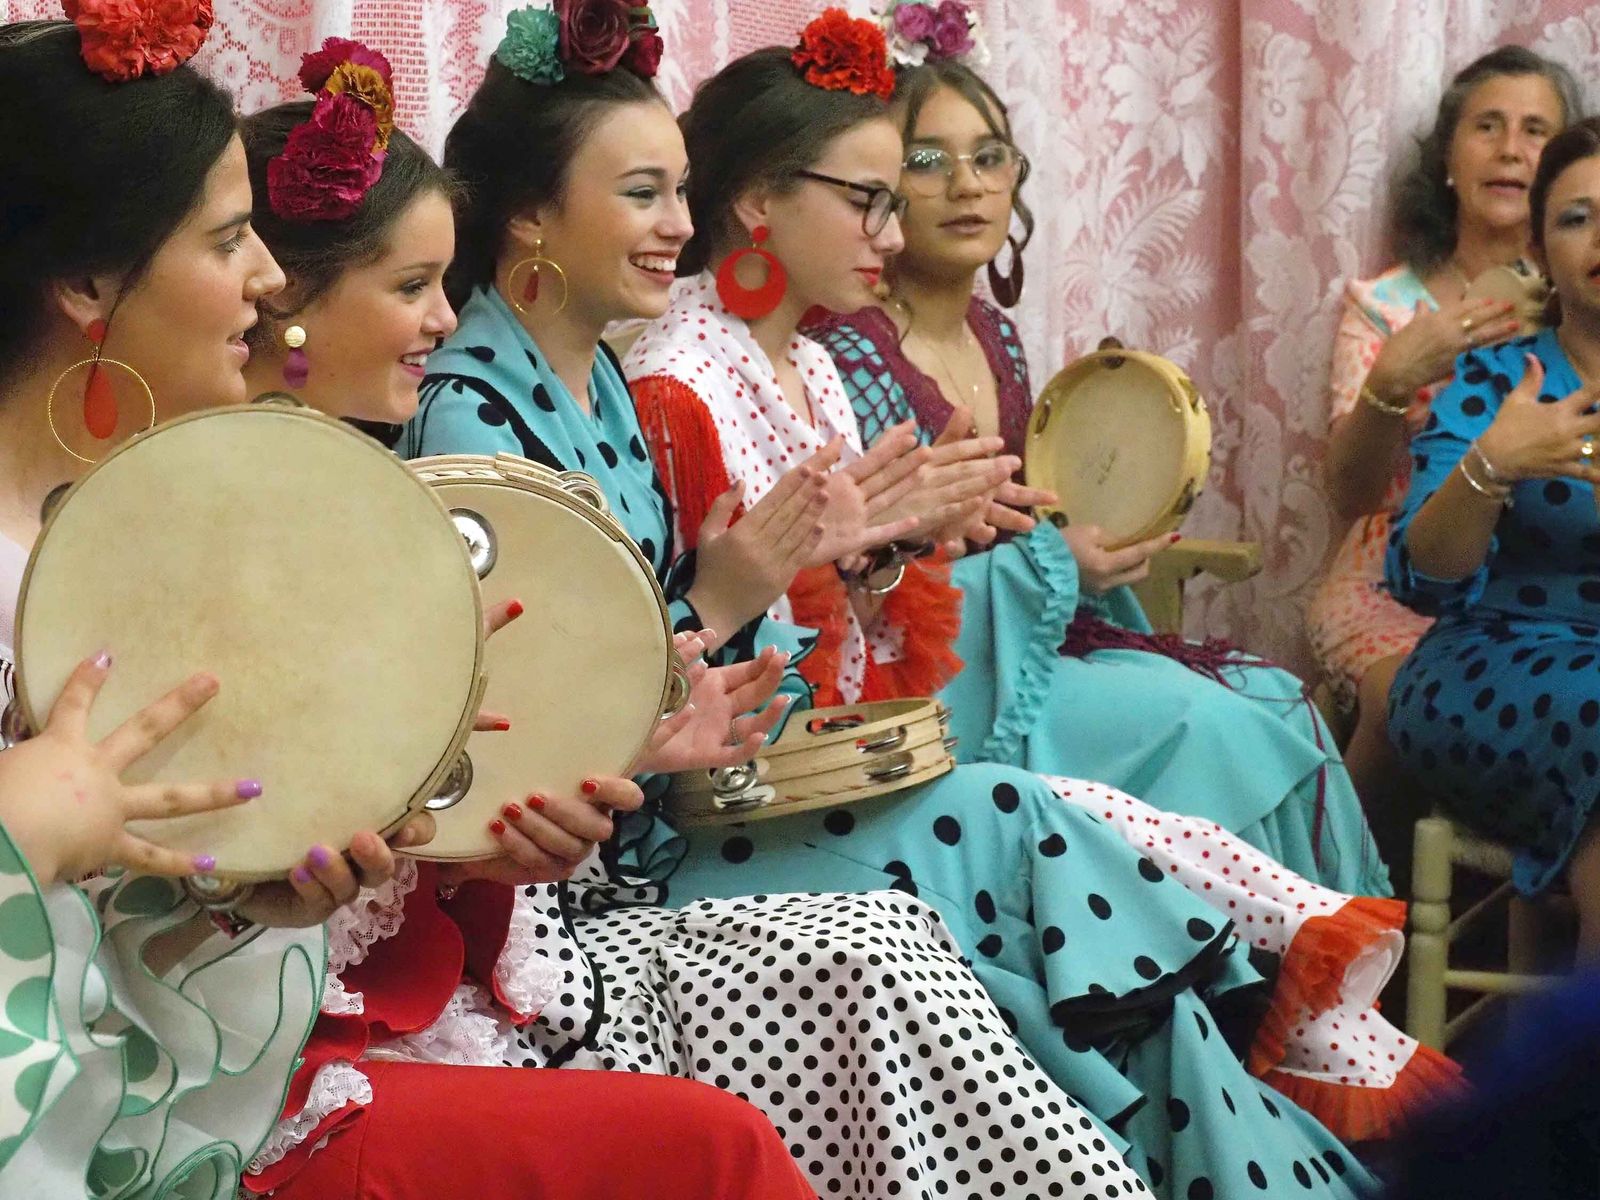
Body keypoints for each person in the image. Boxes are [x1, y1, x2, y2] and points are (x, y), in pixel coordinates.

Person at [408, 8, 1385, 1197]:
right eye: (648, 195)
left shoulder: (607, 374)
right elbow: (545, 717)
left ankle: (1262, 1062)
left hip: (700, 796)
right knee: (1029, 829)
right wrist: (740, 595)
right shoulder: (512, 404)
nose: (682, 225)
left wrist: (850, 566)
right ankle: (1243, 1082)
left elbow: (717, 655)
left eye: (679, 190)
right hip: (628, 865)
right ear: (527, 217)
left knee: (1063, 828)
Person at [230, 45, 821, 1199]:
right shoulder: (450, 435)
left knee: (896, 942)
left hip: (487, 940)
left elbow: (441, 795)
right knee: (769, 1076)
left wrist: (576, 780)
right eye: (410, 290)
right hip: (301, 1034)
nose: (442, 320)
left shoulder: (547, 411)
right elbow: (293, 845)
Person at [0, 15, 409, 1195]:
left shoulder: (128, 541)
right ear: (85, 280)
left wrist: (245, 902)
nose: (272, 278)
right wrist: (21, 839)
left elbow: (108, 973)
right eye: (230, 239)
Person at [1309, 47, 1577, 866]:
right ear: (1449, 162)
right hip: (1391, 577)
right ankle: (1330, 912)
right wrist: (1395, 377)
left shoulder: (1582, 303)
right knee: (1402, 695)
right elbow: (1351, 496)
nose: (1509, 148)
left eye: (1537, 131)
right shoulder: (1388, 305)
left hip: (1541, 576)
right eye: (1487, 126)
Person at [1387, 115, 1600, 956]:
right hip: (1492, 663)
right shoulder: (1502, 374)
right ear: (1542, 251)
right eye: (1578, 216)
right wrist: (1493, 464)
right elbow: (1424, 578)